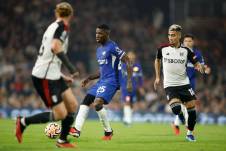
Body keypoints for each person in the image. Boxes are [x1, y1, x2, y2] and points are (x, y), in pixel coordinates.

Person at [15, 2, 78, 148]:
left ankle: (62, 141)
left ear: (56, 13)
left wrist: (61, 75)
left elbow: (49, 58)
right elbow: (55, 47)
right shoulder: (62, 27)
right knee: (60, 114)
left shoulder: (52, 26)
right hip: (44, 77)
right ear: (71, 15)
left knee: (73, 105)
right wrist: (70, 67)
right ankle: (23, 122)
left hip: (52, 74)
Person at [69, 24, 132, 140]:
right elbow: (103, 70)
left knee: (97, 103)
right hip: (103, 80)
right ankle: (77, 129)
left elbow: (127, 60)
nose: (97, 36)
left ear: (107, 34)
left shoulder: (112, 46)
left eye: (100, 33)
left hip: (112, 81)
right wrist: (89, 78)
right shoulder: (99, 50)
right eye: (96, 33)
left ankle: (107, 131)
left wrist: (129, 81)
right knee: (86, 100)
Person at [154, 24, 205, 142]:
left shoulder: (186, 51)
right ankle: (181, 116)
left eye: (173, 35)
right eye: (169, 35)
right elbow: (157, 60)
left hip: (184, 84)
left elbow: (196, 62)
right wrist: (157, 77)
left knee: (192, 111)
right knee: (176, 108)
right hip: (170, 85)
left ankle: (190, 133)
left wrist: (199, 67)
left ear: (179, 36)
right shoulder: (162, 49)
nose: (170, 38)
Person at [172, 34, 211, 135]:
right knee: (182, 103)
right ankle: (185, 124)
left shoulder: (197, 53)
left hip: (191, 82)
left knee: (187, 104)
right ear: (183, 42)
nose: (188, 43)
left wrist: (205, 70)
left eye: (190, 41)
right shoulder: (178, 51)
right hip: (179, 81)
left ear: (193, 42)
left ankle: (177, 123)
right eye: (186, 41)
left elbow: (201, 67)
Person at [119, 51, 144, 126]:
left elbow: (140, 78)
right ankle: (127, 120)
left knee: (132, 104)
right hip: (125, 88)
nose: (131, 58)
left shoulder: (137, 66)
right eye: (130, 57)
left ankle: (127, 117)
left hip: (134, 88)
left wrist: (140, 87)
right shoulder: (123, 66)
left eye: (133, 57)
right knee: (127, 101)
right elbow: (119, 76)